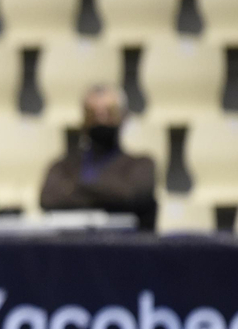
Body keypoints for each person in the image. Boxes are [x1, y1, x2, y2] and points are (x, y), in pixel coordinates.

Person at [39, 85, 158, 230]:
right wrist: (108, 195)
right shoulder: (62, 167)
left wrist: (75, 188)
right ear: (83, 118)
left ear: (123, 116)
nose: (101, 119)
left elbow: (130, 195)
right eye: (92, 113)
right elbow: (48, 199)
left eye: (109, 112)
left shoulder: (141, 165)